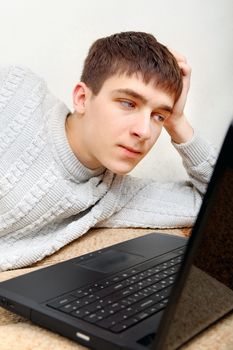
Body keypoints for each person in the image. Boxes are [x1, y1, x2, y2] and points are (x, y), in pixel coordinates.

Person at [0, 31, 216, 271]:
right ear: (82, 98)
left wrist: (178, 122)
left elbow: (220, 205)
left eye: (158, 116)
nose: (144, 131)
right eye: (128, 103)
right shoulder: (14, 91)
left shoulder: (115, 195)